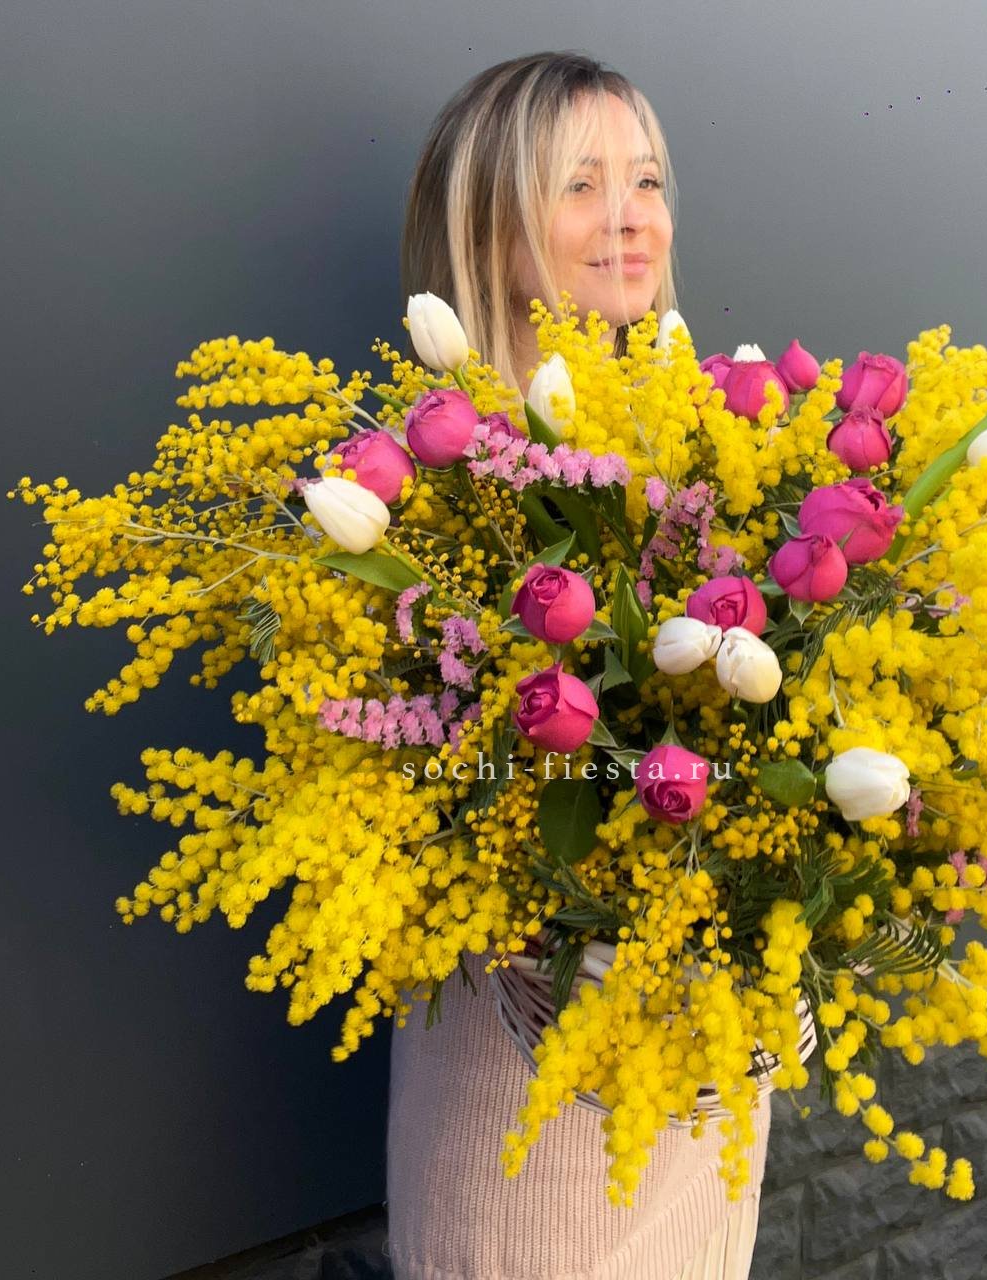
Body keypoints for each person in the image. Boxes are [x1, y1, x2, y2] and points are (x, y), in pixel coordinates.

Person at [386, 51, 773, 1280]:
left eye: (646, 179)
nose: (630, 216)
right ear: (488, 230)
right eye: (579, 185)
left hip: (701, 1080)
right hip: (526, 1084)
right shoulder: (424, 496)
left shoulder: (723, 450)